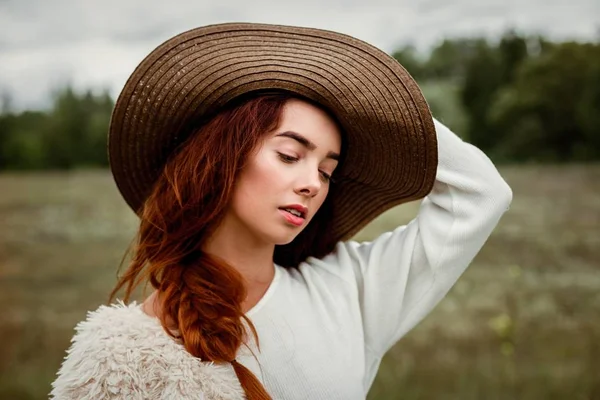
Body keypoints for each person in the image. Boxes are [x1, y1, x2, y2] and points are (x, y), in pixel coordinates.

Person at [50, 23, 512, 400]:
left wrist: (371, 101)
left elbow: (482, 191)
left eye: (328, 171)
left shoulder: (348, 289)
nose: (312, 183)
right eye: (290, 155)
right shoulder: (124, 356)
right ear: (223, 157)